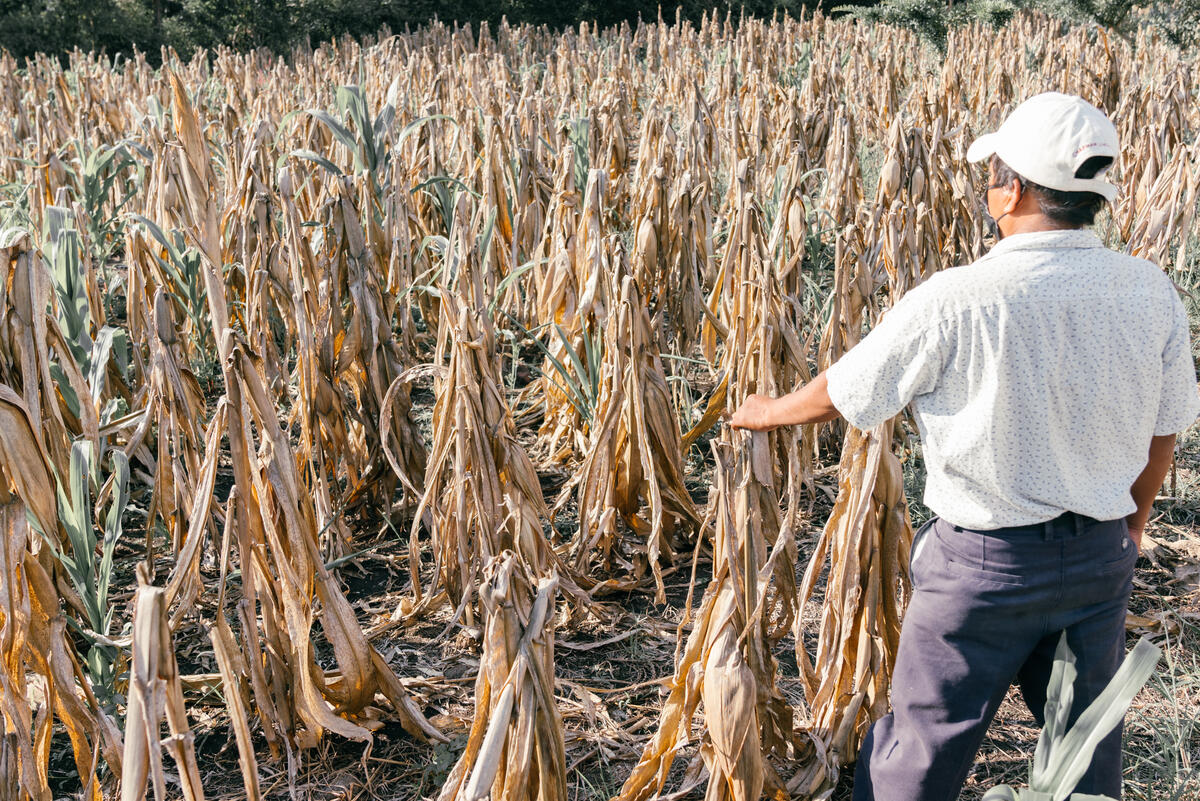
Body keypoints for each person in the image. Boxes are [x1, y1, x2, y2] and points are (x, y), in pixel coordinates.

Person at [729, 92, 1200, 801]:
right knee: (1083, 753)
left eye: (994, 176)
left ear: (1011, 189)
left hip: (982, 568)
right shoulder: (1150, 291)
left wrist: (769, 411)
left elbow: (850, 388)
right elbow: (1165, 430)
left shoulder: (960, 297)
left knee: (922, 749)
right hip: (1099, 559)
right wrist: (1130, 526)